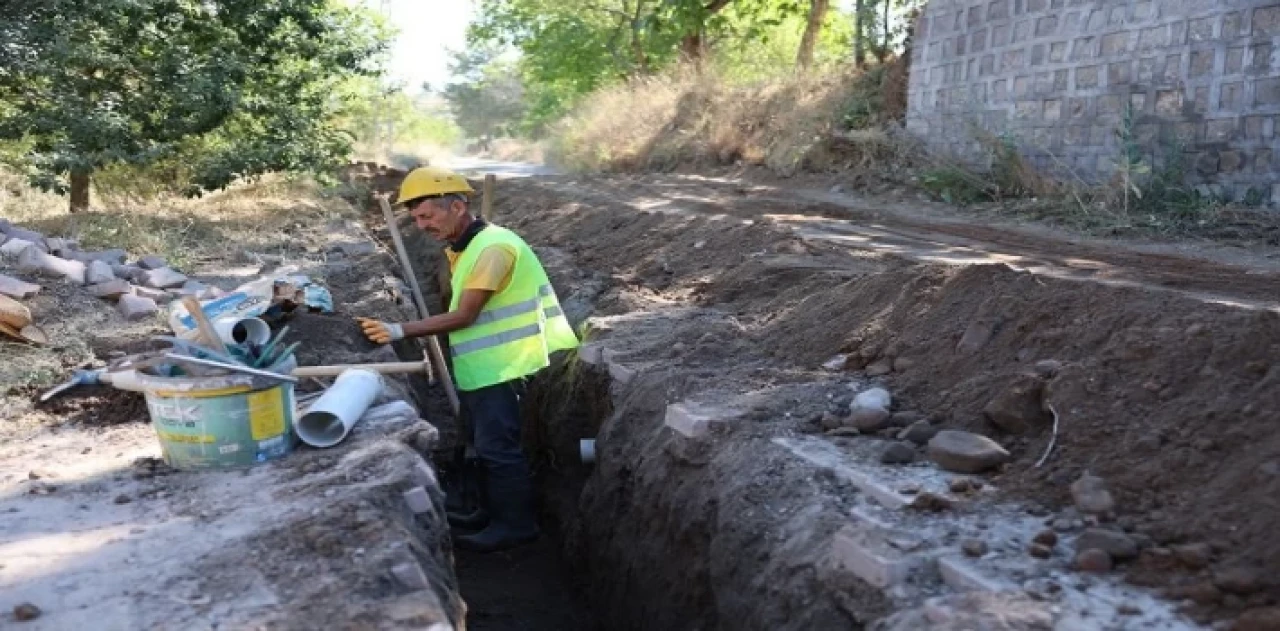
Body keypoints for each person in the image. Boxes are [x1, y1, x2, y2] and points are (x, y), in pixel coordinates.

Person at [357, 166, 579, 552]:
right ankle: (485, 512)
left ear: (457, 206)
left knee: (498, 448)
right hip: (482, 366)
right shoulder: (465, 245)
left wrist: (400, 330)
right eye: (416, 218)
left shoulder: (492, 248)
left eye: (427, 216)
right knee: (479, 440)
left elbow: (465, 315)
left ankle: (515, 525)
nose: (422, 225)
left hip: (506, 365)